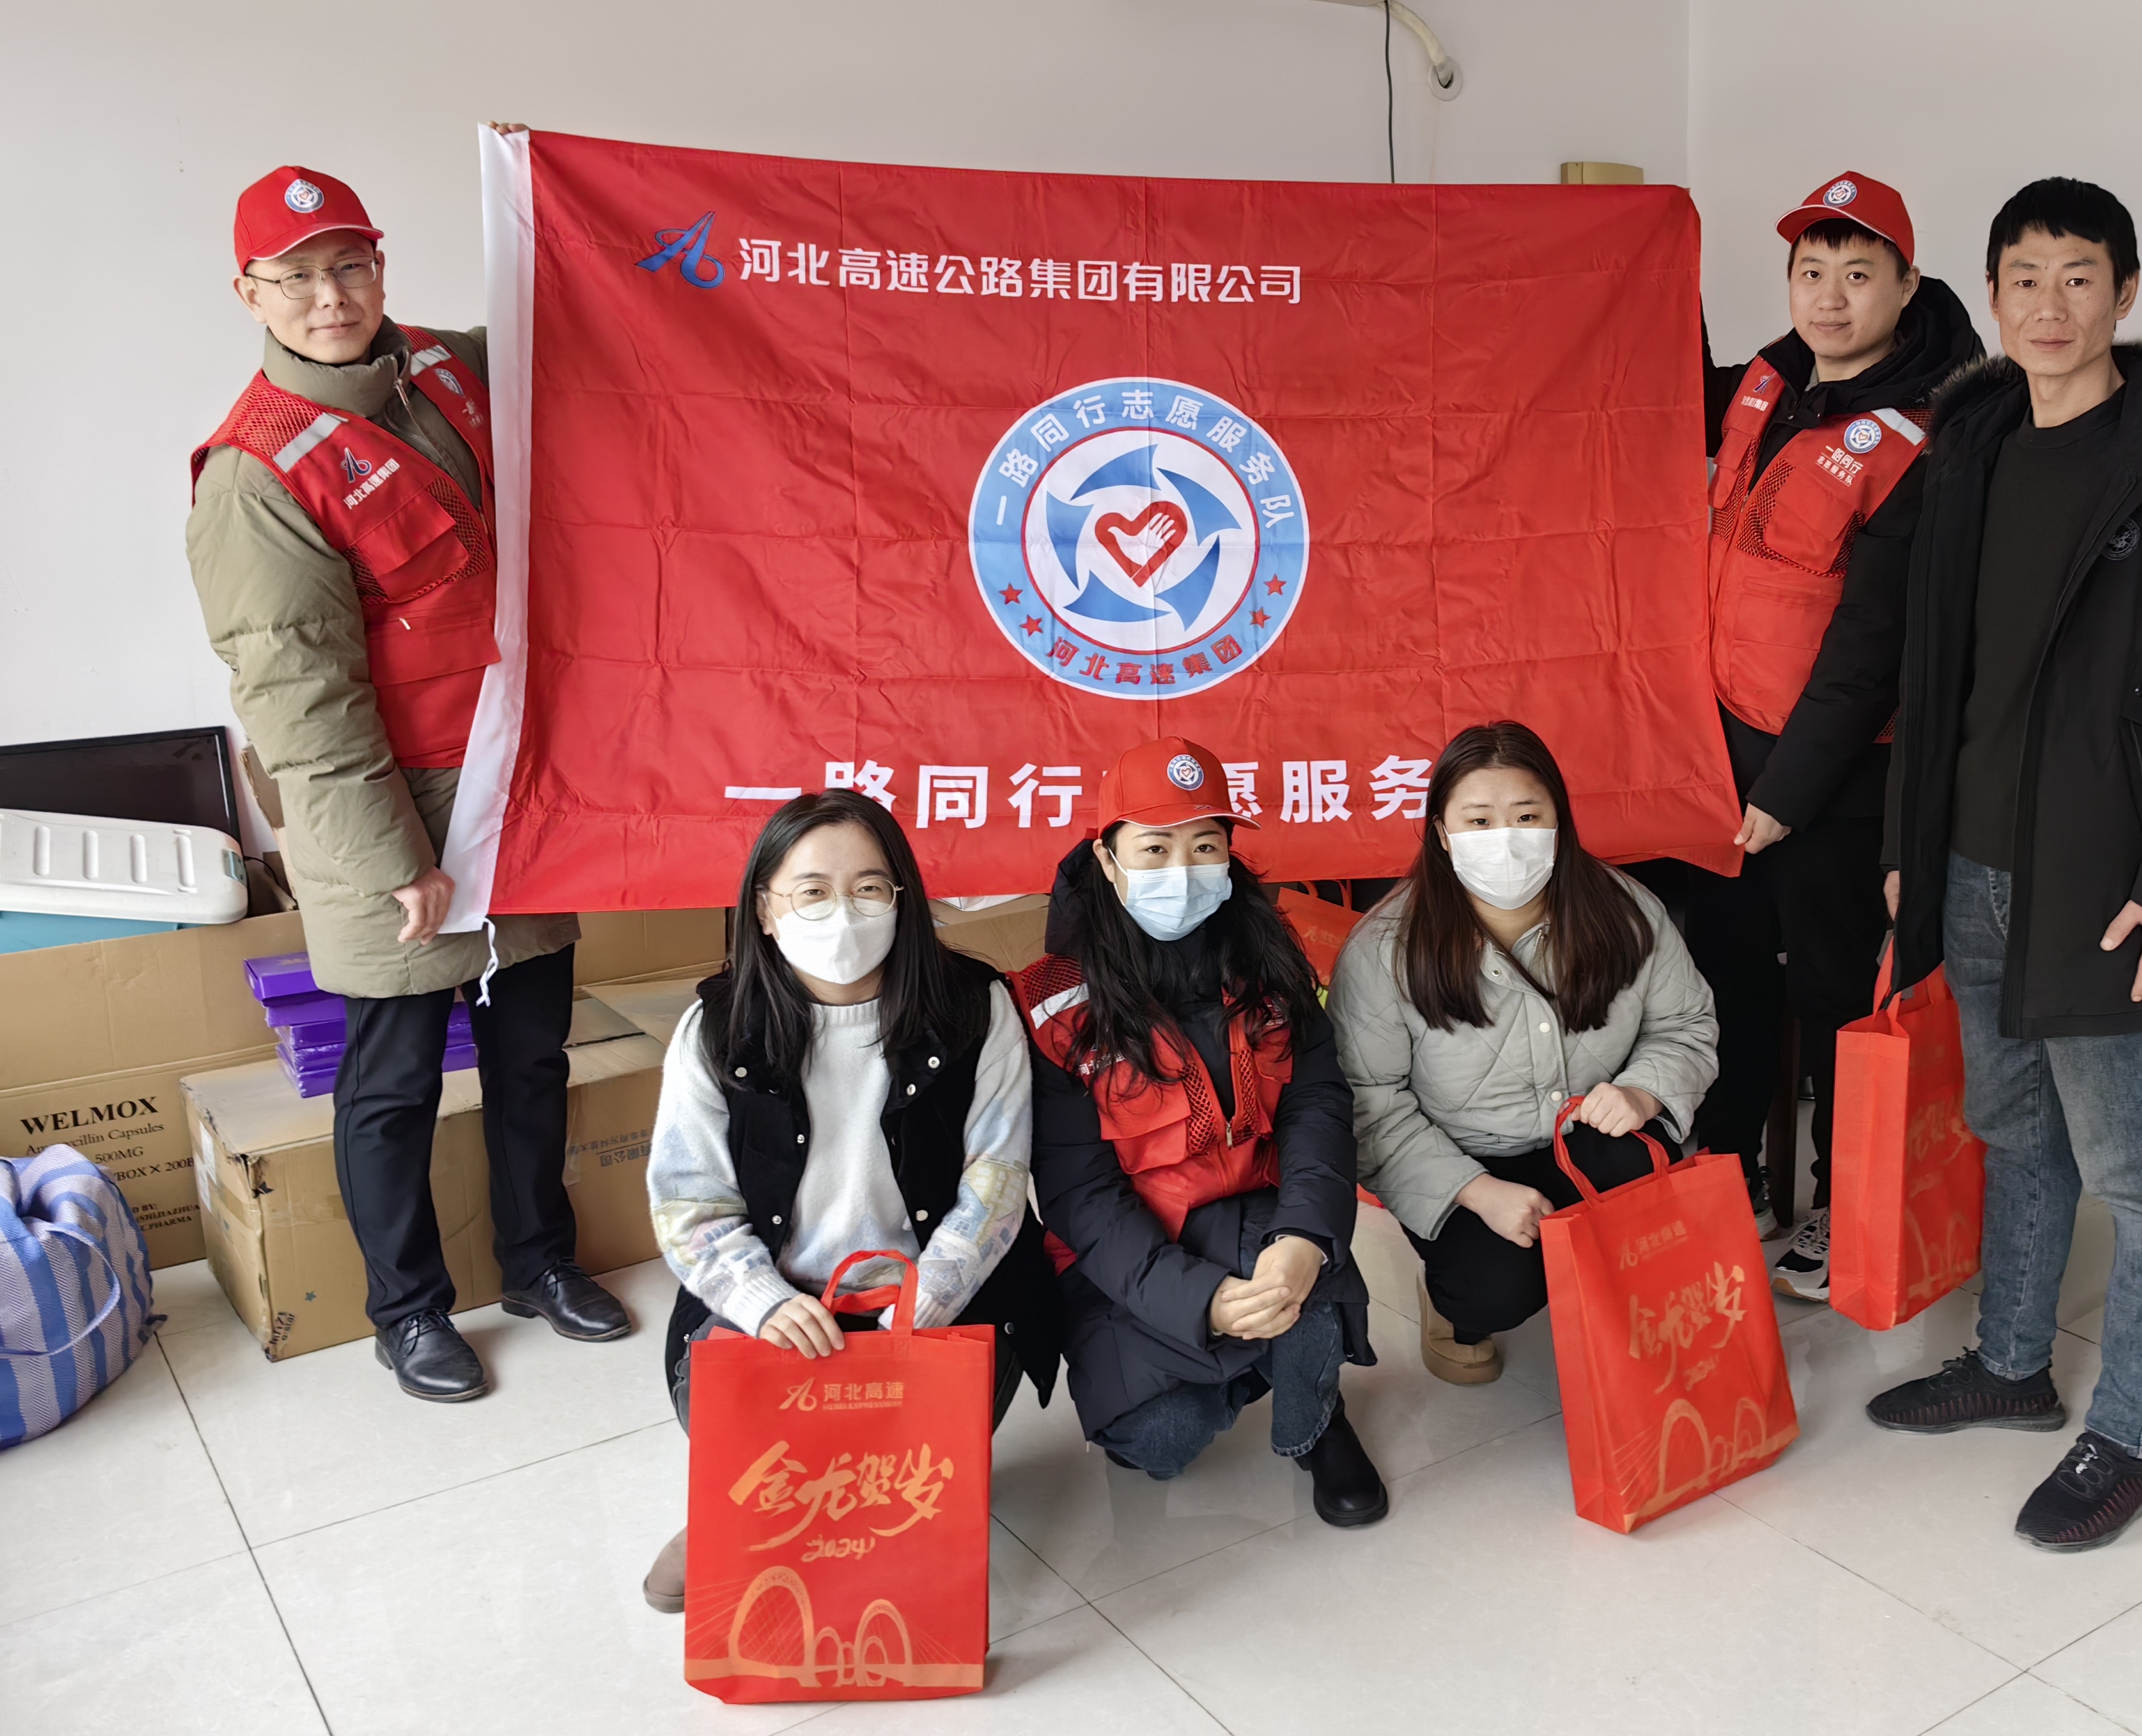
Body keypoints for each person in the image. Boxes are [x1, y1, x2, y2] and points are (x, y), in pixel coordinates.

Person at [1866, 178, 2142, 1552]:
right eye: (2024, 279)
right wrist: (1909, 850)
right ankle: (2009, 1367)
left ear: (2126, 292)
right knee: (2013, 1133)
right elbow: (1937, 673)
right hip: (1975, 864)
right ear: (1990, 296)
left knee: (2141, 1174)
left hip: (2114, 885)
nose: (2049, 307)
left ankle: (2130, 1438)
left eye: (2078, 277)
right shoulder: (1975, 442)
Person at [186, 162, 626, 1403]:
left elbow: (587, 329)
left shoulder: (443, 366)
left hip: (516, 779)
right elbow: (303, 704)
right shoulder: (255, 476)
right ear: (250, 294)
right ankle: (410, 1311)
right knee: (394, 1078)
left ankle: (540, 1264)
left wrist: (606, 216)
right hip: (384, 810)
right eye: (296, 278)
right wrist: (397, 864)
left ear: (380, 265)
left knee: (532, 1047)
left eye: (350, 265)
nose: (330, 297)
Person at [1666, 173, 1983, 1295]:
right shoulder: (1770, 383)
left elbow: (1874, 648)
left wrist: (1786, 792)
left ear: (1907, 283)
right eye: (1812, 272)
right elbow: (1654, 387)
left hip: (1836, 778)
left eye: (1858, 274)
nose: (1831, 298)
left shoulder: (1928, 437)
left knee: (1835, 995)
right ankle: (1733, 1171)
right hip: (1717, 747)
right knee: (1723, 974)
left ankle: (1844, 1205)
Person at [639, 789, 1061, 1612]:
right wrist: (762, 1302)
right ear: (765, 910)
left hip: (935, 1301)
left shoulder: (975, 1007)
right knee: (777, 1450)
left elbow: (998, 1181)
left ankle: (816, 1503)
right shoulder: (717, 1029)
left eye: (869, 888)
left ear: (902, 899)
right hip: (784, 1305)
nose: (842, 913)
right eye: (811, 891)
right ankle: (751, 1500)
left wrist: (929, 1298)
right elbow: (688, 1204)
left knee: (896, 1492)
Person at [1014, 737, 1387, 1525]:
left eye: (1205, 846)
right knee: (1158, 1439)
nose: (1182, 871)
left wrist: (1304, 1237)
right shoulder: (1052, 1004)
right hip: (1135, 1254)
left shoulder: (1270, 957)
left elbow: (1318, 1106)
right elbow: (1080, 1197)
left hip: (1262, 1217)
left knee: (1307, 1276)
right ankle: (1245, 1360)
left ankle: (1315, 1415)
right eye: (1154, 848)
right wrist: (1201, 1301)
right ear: (1106, 859)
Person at [1332, 721, 1717, 1384]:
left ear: (1558, 821)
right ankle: (1451, 1306)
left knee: (1650, 1222)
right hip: (1465, 1157)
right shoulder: (1383, 950)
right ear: (1442, 831)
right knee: (1495, 1289)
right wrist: (1476, 1191)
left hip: (1590, 1132)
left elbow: (1685, 1024)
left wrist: (1644, 1091)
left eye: (1527, 816)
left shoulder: (1627, 911)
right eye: (1479, 820)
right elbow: (1369, 1102)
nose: (1505, 838)